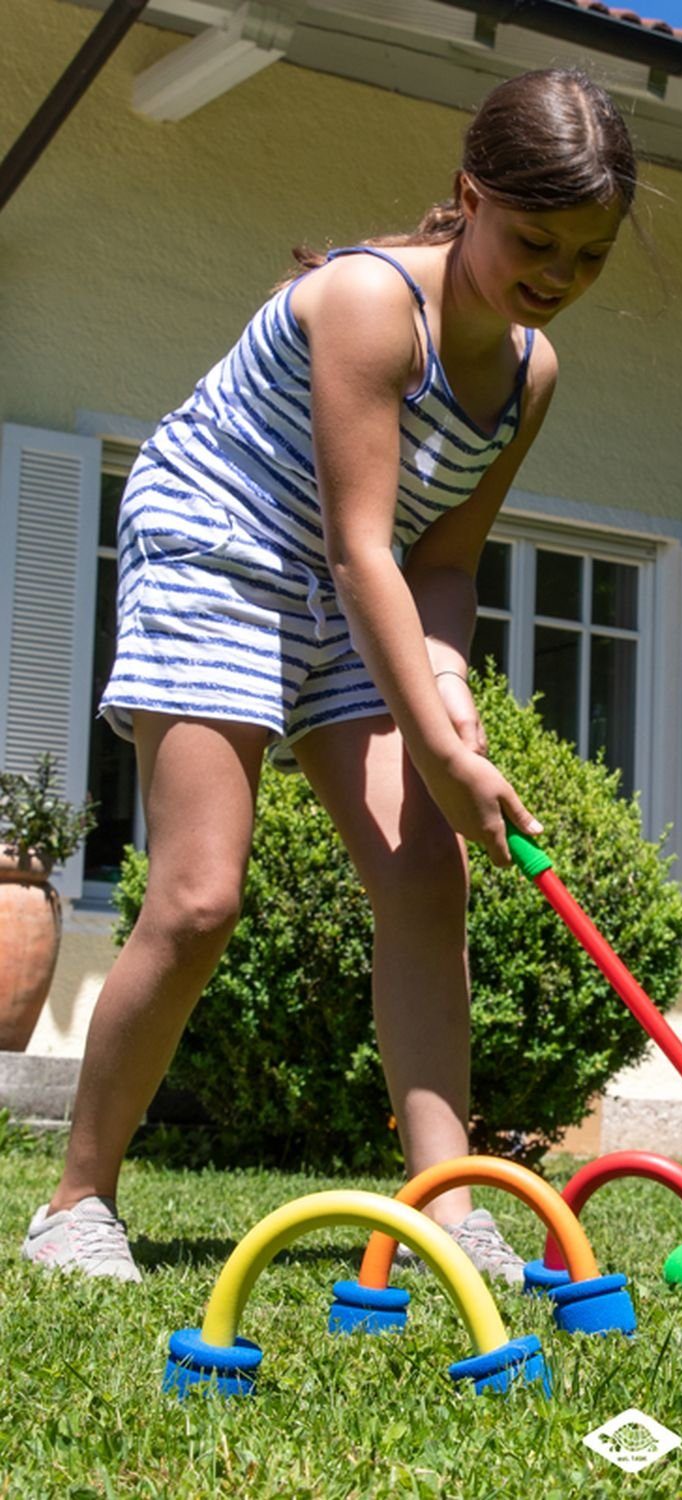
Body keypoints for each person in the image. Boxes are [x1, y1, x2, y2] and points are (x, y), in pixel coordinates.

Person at [21, 67, 636, 1285]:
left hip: (356, 580)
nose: (559, 276)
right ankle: (73, 1206)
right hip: (220, 549)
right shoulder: (364, 302)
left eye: (590, 254)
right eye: (536, 240)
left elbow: (440, 561)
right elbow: (365, 553)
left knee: (426, 880)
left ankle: (448, 1204)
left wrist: (448, 683)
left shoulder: (528, 375)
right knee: (198, 899)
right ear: (469, 197)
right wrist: (447, 755)